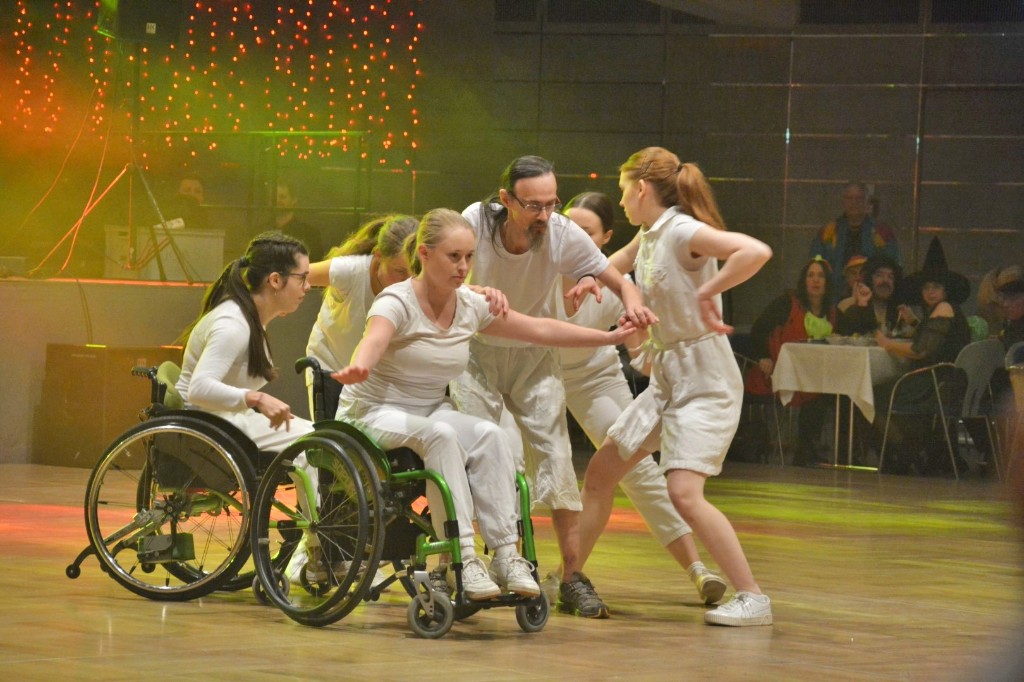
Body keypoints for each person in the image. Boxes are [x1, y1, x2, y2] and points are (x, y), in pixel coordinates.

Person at [332, 208, 639, 601]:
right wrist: (361, 364)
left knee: (492, 435)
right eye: (453, 257)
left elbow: (538, 328)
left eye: (469, 257)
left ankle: (506, 555)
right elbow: (374, 339)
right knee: (441, 435)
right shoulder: (397, 300)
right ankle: (462, 556)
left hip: (429, 410)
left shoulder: (468, 304)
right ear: (424, 254)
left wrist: (607, 338)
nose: (463, 267)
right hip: (375, 411)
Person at [449, 155, 656, 618]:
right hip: (476, 353)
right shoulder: (474, 222)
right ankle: (466, 563)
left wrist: (633, 301)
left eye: (551, 203)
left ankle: (571, 576)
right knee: (481, 452)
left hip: (533, 354)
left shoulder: (560, 231)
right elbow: (445, 276)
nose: (544, 214)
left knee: (558, 458)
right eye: (533, 206)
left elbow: (617, 279)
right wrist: (476, 292)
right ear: (506, 200)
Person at [577, 148, 774, 627]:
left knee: (684, 492)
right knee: (602, 472)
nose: (622, 201)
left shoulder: (682, 230)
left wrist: (709, 289)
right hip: (669, 379)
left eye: (624, 191)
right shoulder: (650, 234)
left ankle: (753, 596)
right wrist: (588, 278)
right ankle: (570, 575)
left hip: (705, 379)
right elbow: (614, 263)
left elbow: (755, 251)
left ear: (641, 188)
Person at [547, 191, 727, 609]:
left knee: (635, 468)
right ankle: (511, 566)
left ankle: (697, 569)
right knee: (530, 467)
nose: (575, 238)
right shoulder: (541, 265)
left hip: (593, 377)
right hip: (537, 373)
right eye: (569, 228)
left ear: (606, 237)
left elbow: (642, 358)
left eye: (587, 232)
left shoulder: (617, 280)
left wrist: (648, 340)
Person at [175, 230, 315, 452]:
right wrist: (257, 398)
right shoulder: (232, 325)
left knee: (316, 436)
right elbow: (199, 388)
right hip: (210, 426)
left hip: (228, 418)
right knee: (313, 444)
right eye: (302, 278)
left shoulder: (250, 317)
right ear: (275, 280)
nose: (307, 286)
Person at [873, 237, 971, 475]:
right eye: (926, 287)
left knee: (875, 394)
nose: (930, 292)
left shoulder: (944, 308)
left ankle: (907, 451)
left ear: (945, 290)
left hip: (937, 383)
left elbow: (921, 350)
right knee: (888, 388)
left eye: (935, 287)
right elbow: (936, 341)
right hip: (946, 381)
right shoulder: (946, 309)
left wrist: (887, 344)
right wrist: (915, 323)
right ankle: (912, 451)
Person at [305, 214, 419, 418]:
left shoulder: (420, 284)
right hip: (331, 366)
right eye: (400, 271)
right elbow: (296, 275)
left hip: (377, 377)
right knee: (333, 433)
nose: (407, 281)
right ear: (378, 256)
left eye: (415, 272)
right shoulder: (350, 270)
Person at [745, 257, 838, 466]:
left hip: (814, 376)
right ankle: (806, 451)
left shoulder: (832, 312)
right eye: (811, 275)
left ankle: (809, 450)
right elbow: (759, 328)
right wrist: (763, 356)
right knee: (818, 391)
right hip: (777, 372)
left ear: (828, 282)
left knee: (828, 391)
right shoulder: (787, 303)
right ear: (804, 281)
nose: (815, 280)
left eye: (821, 276)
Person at [810, 182, 899, 293]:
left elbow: (894, 267)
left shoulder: (882, 232)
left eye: (859, 198)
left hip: (872, 296)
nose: (854, 203)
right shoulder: (827, 232)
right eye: (849, 198)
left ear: (867, 202)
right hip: (834, 296)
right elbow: (815, 265)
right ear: (843, 201)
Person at [837, 252, 915, 338]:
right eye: (879, 275)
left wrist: (913, 322)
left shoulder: (900, 310)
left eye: (890, 277)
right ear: (869, 279)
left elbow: (918, 340)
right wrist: (862, 307)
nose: (885, 281)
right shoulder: (849, 305)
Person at [269, 180, 325, 261]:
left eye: (282, 197)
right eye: (274, 197)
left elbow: (315, 264)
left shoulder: (309, 234)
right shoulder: (260, 231)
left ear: (294, 200)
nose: (277, 201)